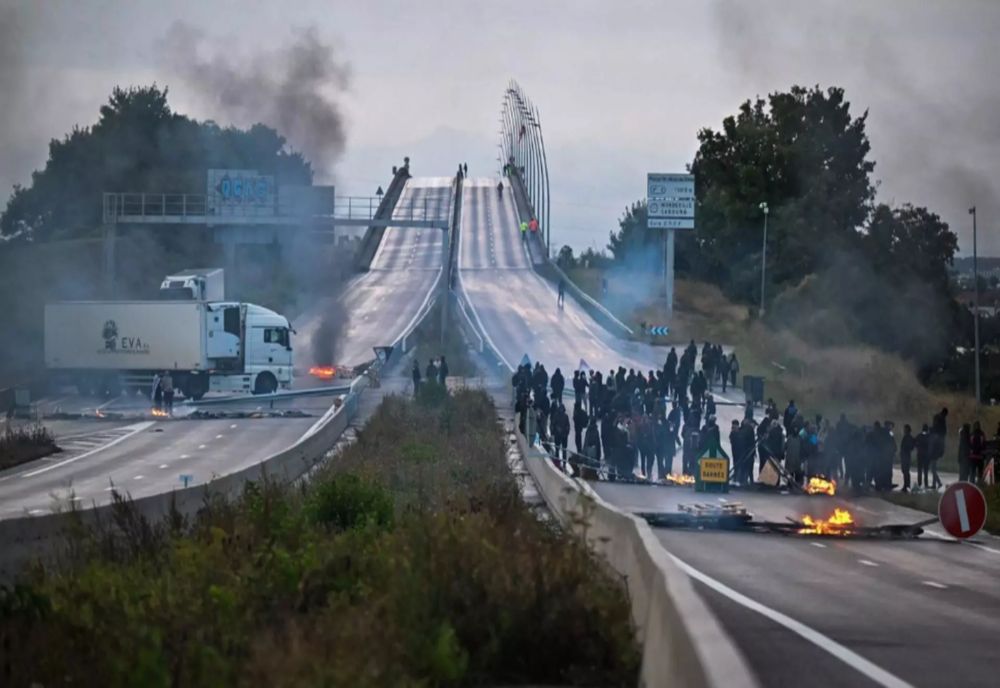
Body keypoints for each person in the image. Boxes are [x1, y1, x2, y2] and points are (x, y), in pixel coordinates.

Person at [899, 424, 914, 492]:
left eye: (904, 429)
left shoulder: (906, 437)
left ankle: (906, 485)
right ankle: (907, 485)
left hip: (905, 456)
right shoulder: (910, 437)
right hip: (907, 455)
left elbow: (905, 447)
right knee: (906, 471)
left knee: (905, 471)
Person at [915, 423, 931, 489]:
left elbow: (915, 442)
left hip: (920, 455)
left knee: (919, 470)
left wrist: (918, 447)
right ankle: (926, 484)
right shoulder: (929, 436)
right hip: (926, 456)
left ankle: (919, 484)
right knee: (926, 471)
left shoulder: (919, 436)